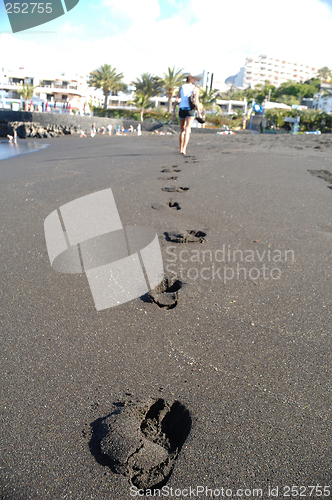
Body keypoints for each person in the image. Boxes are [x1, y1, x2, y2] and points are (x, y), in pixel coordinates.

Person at [172, 75, 202, 155]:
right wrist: (199, 113)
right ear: (193, 81)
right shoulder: (195, 88)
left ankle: (181, 148)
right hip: (190, 110)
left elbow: (176, 99)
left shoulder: (182, 87)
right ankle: (184, 149)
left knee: (182, 130)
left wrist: (174, 111)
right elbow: (196, 101)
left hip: (182, 109)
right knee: (188, 129)